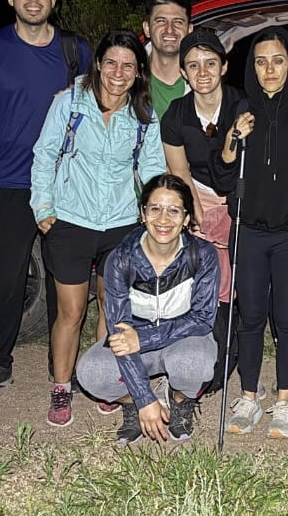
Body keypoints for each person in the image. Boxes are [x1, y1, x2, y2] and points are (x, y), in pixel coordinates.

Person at [0, 0, 91, 402]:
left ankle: (65, 370)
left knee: (65, 279)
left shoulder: (76, 52)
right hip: (12, 182)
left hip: (67, 186)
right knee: (6, 278)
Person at [30, 29, 167, 427]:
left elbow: (153, 167)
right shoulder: (70, 103)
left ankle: (104, 381)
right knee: (71, 312)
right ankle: (61, 386)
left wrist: (156, 216)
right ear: (99, 65)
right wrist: (42, 206)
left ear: (138, 71)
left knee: (114, 309)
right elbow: (44, 154)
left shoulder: (143, 113)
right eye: (111, 63)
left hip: (121, 225)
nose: (118, 73)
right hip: (71, 221)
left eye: (128, 65)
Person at [212, 25, 288, 439]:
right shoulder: (240, 106)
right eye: (261, 61)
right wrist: (233, 137)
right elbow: (222, 172)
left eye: (278, 60)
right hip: (248, 229)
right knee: (250, 317)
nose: (269, 69)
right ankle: (249, 395)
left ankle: (283, 402)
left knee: (286, 320)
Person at [74, 174, 220, 444]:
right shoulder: (121, 258)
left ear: (186, 217)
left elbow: (202, 319)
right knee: (90, 372)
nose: (163, 219)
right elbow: (120, 334)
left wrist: (144, 338)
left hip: (182, 340)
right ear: (143, 213)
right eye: (155, 209)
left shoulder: (203, 254)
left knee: (194, 363)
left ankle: (179, 402)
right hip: (133, 342)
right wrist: (144, 400)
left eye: (174, 210)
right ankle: (130, 405)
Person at [160, 27, 241, 393]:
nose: (203, 72)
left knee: (238, 284)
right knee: (200, 276)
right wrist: (199, 220)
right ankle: (191, 357)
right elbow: (180, 172)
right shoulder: (175, 115)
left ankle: (228, 355)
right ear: (183, 73)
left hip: (241, 199)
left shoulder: (242, 106)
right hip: (199, 201)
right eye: (193, 65)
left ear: (224, 67)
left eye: (210, 63)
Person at [143, 0, 194, 119]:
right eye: (161, 21)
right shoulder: (125, 77)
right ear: (147, 28)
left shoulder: (205, 81)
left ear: (189, 30)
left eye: (178, 22)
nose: (169, 29)